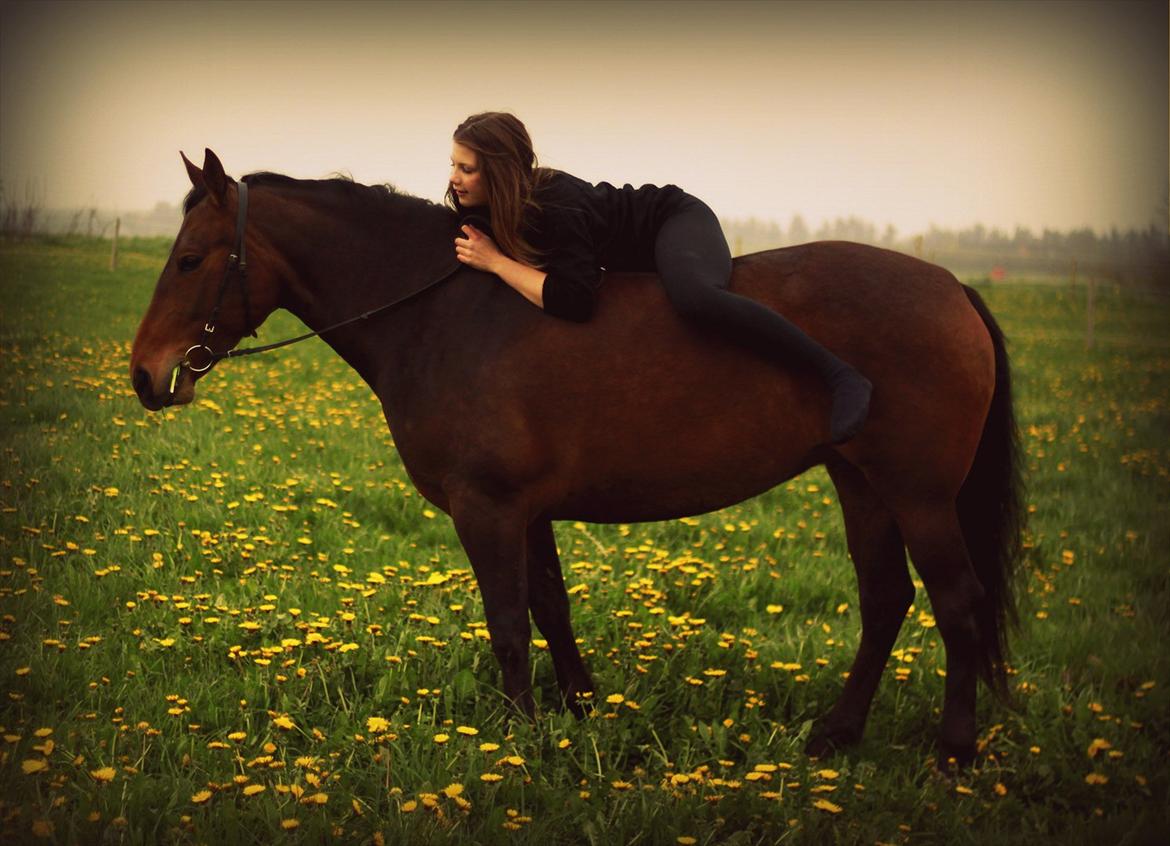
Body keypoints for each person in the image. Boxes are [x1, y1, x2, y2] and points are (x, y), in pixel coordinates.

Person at [448, 112, 872, 445]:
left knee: (694, 298)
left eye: (466, 169)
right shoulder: (482, 206)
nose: (454, 178)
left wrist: (498, 263)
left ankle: (838, 375)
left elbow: (574, 300)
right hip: (631, 250)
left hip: (670, 222)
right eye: (453, 164)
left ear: (500, 172)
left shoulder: (556, 206)